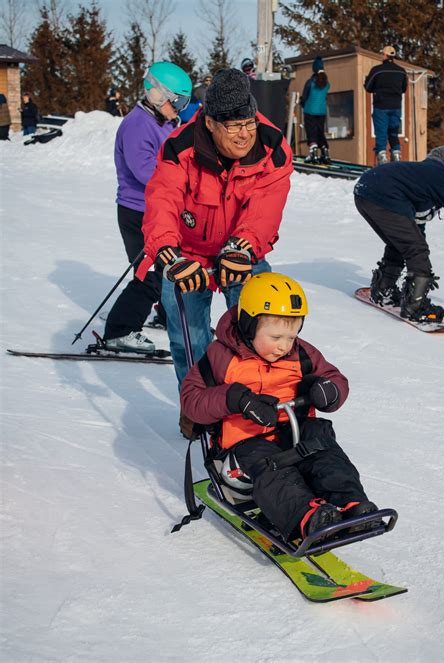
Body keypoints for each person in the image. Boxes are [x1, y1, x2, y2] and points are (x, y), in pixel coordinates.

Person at [180, 272, 379, 540]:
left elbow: (335, 379)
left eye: (292, 336)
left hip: (293, 435)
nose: (284, 346)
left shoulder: (302, 352)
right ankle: (307, 517)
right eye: (275, 338)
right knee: (272, 468)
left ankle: (351, 503)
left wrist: (327, 391)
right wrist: (235, 398)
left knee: (323, 447)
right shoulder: (221, 357)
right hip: (244, 449)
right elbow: (191, 400)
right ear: (250, 325)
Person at [136, 67, 293, 389]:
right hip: (188, 256)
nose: (245, 134)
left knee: (262, 330)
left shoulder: (272, 147)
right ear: (210, 123)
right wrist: (168, 253)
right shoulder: (180, 148)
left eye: (249, 123)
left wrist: (242, 247)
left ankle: (258, 399)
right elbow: (163, 201)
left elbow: (265, 209)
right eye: (234, 126)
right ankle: (199, 406)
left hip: (242, 253)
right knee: (190, 341)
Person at [103, 62, 192, 353]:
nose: (179, 108)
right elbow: (146, 171)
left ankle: (170, 317)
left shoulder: (164, 123)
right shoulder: (137, 125)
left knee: (173, 265)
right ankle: (120, 331)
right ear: (157, 95)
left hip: (160, 210)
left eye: (183, 102)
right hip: (137, 212)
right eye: (176, 100)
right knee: (150, 274)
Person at [354, 145, 444, 322]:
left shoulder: (424, 177)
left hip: (365, 193)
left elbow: (415, 225)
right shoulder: (438, 172)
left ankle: (384, 288)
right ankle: (415, 306)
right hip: (381, 195)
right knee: (417, 249)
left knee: (404, 243)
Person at [364, 46, 407, 164]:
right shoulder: (401, 71)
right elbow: (404, 88)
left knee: (381, 131)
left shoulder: (377, 70)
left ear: (384, 55)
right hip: (396, 106)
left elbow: (368, 87)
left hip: (381, 105)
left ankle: (382, 156)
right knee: (393, 131)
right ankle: (396, 153)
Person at [301, 56, 331, 165]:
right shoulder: (326, 83)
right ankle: (324, 151)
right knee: (320, 132)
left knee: (311, 132)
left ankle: (313, 151)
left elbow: (304, 96)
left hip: (310, 110)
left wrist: (302, 104)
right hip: (321, 112)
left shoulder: (310, 82)